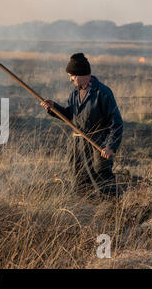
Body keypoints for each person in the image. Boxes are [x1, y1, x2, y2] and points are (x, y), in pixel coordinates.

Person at [40, 53, 124, 197]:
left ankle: (114, 212)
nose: (70, 79)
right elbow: (71, 117)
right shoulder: (74, 93)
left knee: (103, 182)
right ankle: (86, 213)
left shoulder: (102, 92)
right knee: (78, 181)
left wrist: (110, 146)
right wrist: (54, 108)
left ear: (81, 74)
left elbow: (116, 122)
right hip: (76, 146)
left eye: (72, 75)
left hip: (97, 145)